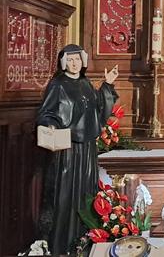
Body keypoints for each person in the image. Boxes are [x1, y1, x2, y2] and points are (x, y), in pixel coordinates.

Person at [37, 44, 118, 255]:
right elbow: (46, 112)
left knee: (86, 193)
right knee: (65, 195)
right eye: (70, 60)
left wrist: (107, 85)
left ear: (83, 61)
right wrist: (50, 124)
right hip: (67, 149)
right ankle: (62, 245)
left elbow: (99, 109)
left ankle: (85, 241)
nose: (74, 64)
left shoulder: (85, 83)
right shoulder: (57, 85)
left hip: (87, 149)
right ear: (64, 63)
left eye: (77, 59)